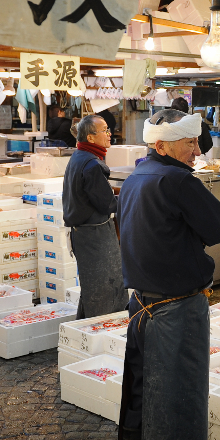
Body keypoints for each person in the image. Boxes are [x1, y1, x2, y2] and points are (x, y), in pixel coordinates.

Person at [116, 109, 220, 440]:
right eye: (189, 143)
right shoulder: (178, 180)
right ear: (162, 145)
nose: (197, 151)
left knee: (142, 403)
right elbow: (217, 230)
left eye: (197, 142)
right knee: (179, 410)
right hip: (177, 312)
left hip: (141, 308)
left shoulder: (135, 178)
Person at [64, 115, 128, 319]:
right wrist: (130, 198)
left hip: (81, 233)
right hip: (94, 235)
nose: (109, 134)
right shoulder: (91, 165)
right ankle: (103, 333)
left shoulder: (79, 156)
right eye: (105, 130)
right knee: (106, 289)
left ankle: (83, 329)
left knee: (92, 287)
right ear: (90, 138)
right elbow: (106, 203)